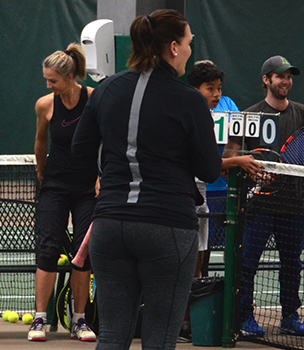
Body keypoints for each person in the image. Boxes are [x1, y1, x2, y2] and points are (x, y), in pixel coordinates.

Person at [71, 10, 220, 349]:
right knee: (160, 337)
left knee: (111, 334)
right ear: (172, 47)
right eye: (187, 44)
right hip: (168, 228)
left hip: (109, 226)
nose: (189, 51)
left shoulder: (106, 90)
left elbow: (79, 154)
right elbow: (210, 169)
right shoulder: (190, 101)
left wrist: (109, 175)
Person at [178, 60, 261, 342]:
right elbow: (199, 159)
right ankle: (180, 319)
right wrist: (231, 161)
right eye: (209, 88)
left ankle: (199, 319)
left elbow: (231, 146)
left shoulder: (227, 107)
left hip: (216, 193)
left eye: (218, 88)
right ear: (195, 89)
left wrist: (229, 159)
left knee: (203, 259)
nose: (215, 94)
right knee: (185, 258)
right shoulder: (187, 111)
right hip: (186, 193)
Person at [228, 55, 304, 337]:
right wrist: (251, 167)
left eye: (289, 76)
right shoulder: (248, 116)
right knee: (247, 263)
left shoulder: (301, 114)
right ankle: (245, 316)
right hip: (258, 205)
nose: (286, 81)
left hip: (294, 206)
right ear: (266, 80)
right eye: (280, 76)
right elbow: (229, 157)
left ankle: (289, 317)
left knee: (291, 265)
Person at [29, 43, 96, 343]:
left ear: (70, 77)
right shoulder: (45, 104)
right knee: (48, 249)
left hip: (87, 188)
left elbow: (107, 140)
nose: (48, 85)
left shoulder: (94, 100)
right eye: (46, 80)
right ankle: (39, 319)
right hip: (55, 185)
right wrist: (41, 172)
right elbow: (40, 141)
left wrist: (101, 177)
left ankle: (79, 320)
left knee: (83, 253)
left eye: (53, 80)